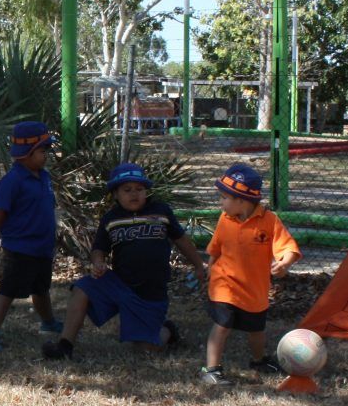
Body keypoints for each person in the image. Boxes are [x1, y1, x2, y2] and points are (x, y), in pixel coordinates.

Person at [42, 163, 207, 360]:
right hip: (119, 285)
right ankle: (65, 345)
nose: (134, 194)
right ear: (116, 194)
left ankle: (168, 331)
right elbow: (99, 249)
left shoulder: (161, 211)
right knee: (82, 287)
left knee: (146, 350)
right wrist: (98, 263)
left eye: (139, 189)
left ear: (147, 191)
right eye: (127, 190)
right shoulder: (111, 218)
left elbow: (181, 240)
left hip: (150, 295)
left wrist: (198, 265)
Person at [200, 163, 301, 387]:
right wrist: (210, 268)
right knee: (222, 325)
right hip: (224, 284)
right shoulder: (224, 220)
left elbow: (288, 248)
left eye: (224, 197)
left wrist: (284, 264)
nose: (220, 202)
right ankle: (211, 369)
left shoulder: (269, 221)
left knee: (256, 329)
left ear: (241, 200)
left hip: (254, 289)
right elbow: (214, 249)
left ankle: (258, 360)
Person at [0, 121, 62, 353]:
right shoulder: (12, 181)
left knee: (41, 287)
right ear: (26, 153)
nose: (46, 155)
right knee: (8, 289)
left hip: (42, 247)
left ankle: (48, 322)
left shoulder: (43, 177)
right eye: (42, 150)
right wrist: (9, 232)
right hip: (20, 247)